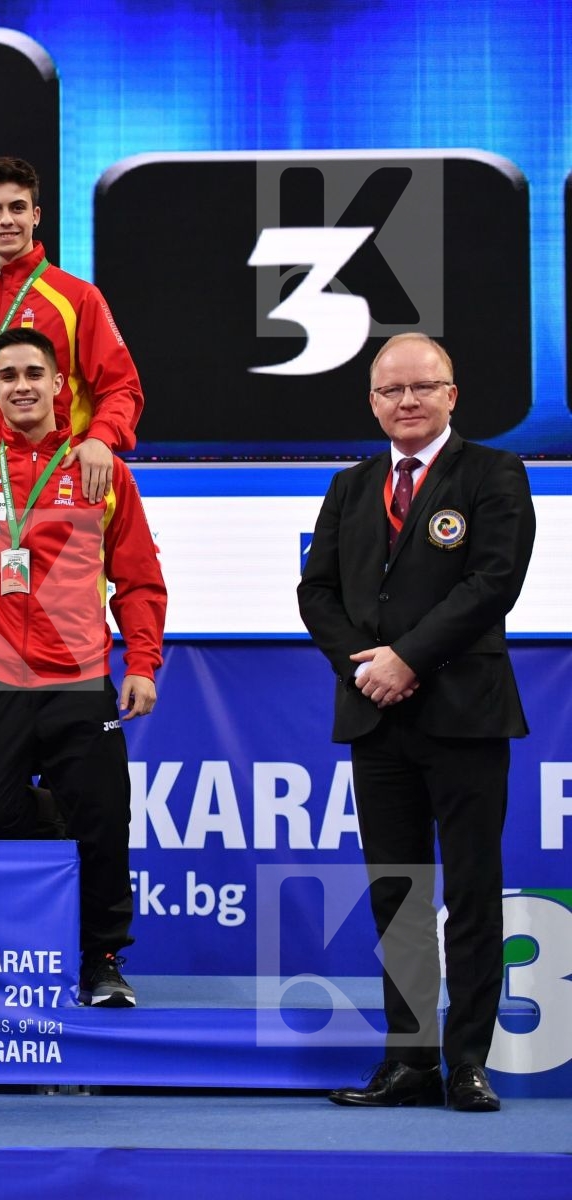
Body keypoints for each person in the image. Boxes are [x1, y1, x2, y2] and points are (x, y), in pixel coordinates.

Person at [296, 333, 534, 1113]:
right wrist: (366, 668)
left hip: (465, 715)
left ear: (451, 394)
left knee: (470, 891)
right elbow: (317, 595)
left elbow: (492, 584)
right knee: (397, 895)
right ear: (372, 401)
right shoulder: (350, 487)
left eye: (422, 387)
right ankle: (408, 1061)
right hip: (377, 719)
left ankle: (467, 1060)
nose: (406, 401)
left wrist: (407, 659)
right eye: (391, 391)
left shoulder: (494, 474)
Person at [0, 328, 165, 1009]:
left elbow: (137, 578)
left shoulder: (101, 471)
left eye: (33, 373)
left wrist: (143, 663)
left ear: (59, 388)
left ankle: (101, 959)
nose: (21, 385)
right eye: (7, 374)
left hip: (77, 678)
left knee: (105, 819)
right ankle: (51, 843)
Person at [0, 157, 143, 503]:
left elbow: (122, 387)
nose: (6, 220)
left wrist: (100, 439)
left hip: (61, 478)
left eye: (18, 208)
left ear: (36, 216)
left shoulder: (76, 296)